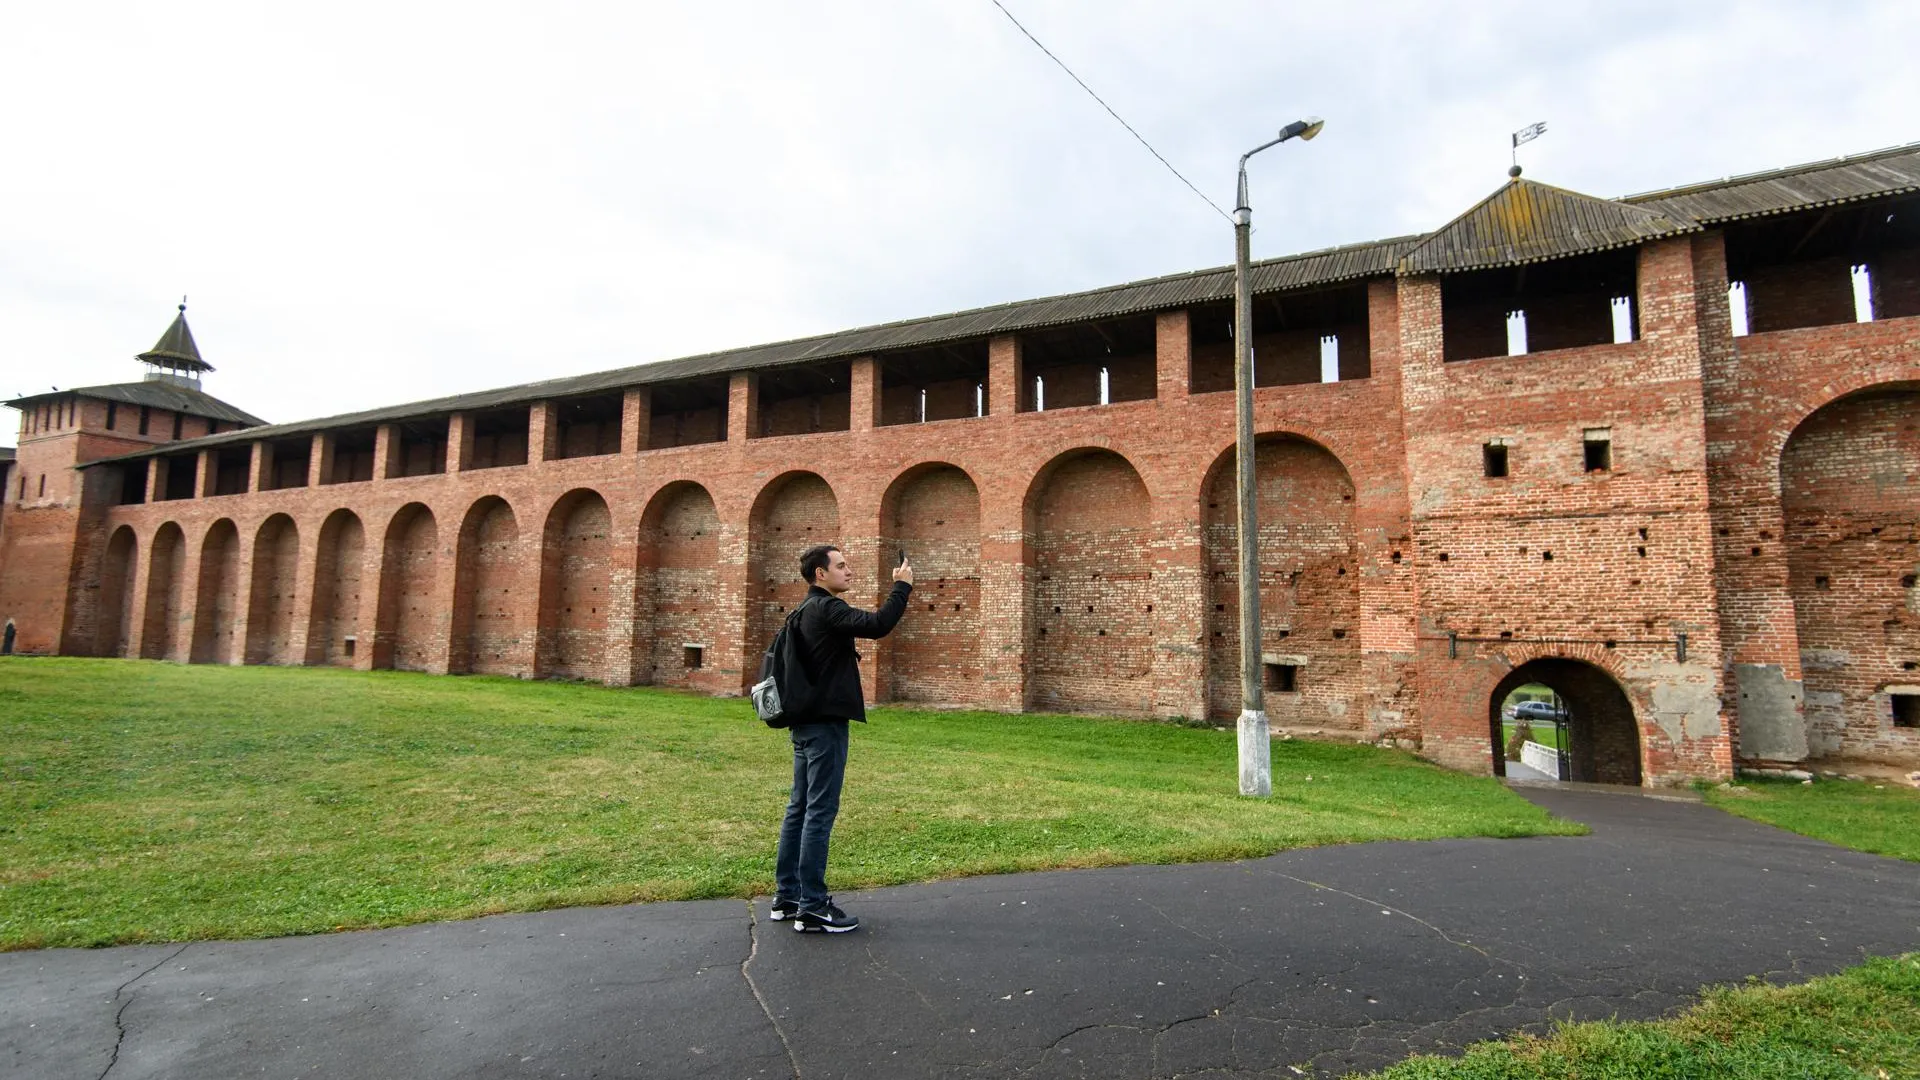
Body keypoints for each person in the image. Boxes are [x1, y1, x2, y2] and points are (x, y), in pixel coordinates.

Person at [770, 543, 912, 933]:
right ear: (821, 573)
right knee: (818, 811)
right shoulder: (827, 608)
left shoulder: (801, 611)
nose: (848, 571)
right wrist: (902, 586)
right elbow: (879, 624)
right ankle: (813, 905)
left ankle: (788, 897)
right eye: (842, 565)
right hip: (825, 726)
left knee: (798, 808)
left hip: (804, 724)